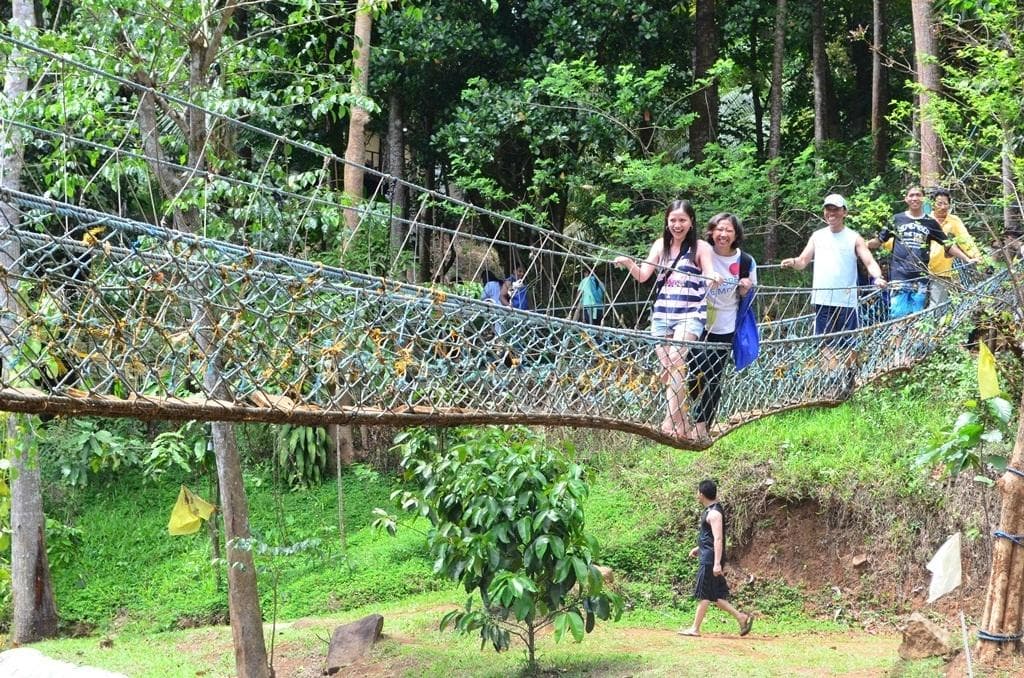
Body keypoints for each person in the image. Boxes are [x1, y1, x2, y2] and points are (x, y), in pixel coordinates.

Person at [614, 200, 721, 439]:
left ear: (691, 222)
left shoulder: (701, 247)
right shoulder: (660, 246)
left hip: (690, 314)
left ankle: (668, 420)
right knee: (670, 371)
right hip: (662, 314)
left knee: (676, 361)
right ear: (667, 221)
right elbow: (643, 275)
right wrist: (628, 262)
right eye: (673, 220)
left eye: (682, 220)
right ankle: (681, 423)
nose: (677, 224)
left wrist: (712, 277)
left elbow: (708, 272)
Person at [688, 213, 756, 440]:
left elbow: (747, 299)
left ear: (736, 234)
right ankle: (684, 418)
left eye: (728, 230)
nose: (723, 235)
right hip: (695, 323)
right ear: (711, 232)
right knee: (690, 373)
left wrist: (745, 289)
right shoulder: (700, 254)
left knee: (713, 378)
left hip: (725, 326)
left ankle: (701, 427)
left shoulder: (745, 261)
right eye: (719, 229)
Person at [781, 193, 886, 338]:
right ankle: (834, 362)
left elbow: (869, 262)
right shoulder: (817, 236)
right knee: (824, 343)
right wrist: (793, 262)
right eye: (828, 209)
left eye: (835, 209)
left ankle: (847, 361)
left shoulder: (854, 238)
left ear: (844, 212)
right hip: (822, 299)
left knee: (848, 345)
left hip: (846, 301)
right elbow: (803, 261)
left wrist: (877, 278)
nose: (831, 213)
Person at [867, 185, 977, 319]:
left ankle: (917, 340)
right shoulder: (896, 219)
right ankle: (898, 341)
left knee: (916, 319)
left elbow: (948, 245)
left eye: (918, 195)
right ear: (906, 199)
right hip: (899, 277)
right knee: (897, 318)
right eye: (911, 195)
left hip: (921, 278)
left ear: (923, 199)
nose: (915, 198)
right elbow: (880, 241)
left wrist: (968, 258)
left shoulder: (930, 223)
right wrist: (862, 245)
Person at [678, 479, 754, 638]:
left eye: (697, 492)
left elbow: (718, 539)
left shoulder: (714, 513)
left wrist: (717, 563)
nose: (697, 495)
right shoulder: (710, 511)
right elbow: (711, 537)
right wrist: (699, 548)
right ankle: (741, 617)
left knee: (705, 594)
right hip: (708, 556)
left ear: (701, 494)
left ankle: (695, 628)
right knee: (716, 596)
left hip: (710, 560)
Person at [927, 189, 980, 307]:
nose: (943, 207)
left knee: (937, 306)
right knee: (917, 304)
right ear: (933, 204)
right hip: (921, 269)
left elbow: (964, 238)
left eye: (945, 203)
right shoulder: (925, 219)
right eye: (939, 203)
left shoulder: (953, 220)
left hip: (941, 271)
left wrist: (975, 256)